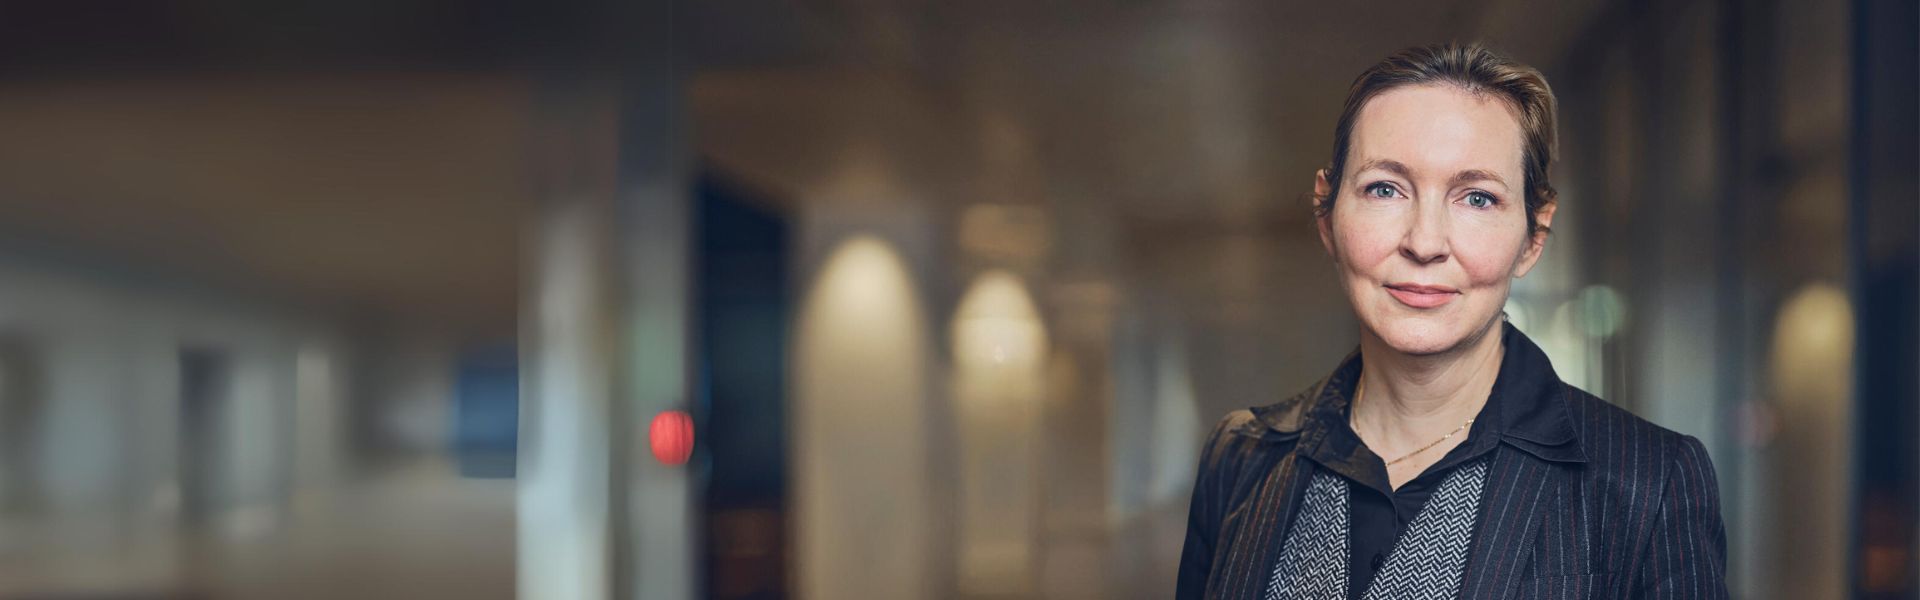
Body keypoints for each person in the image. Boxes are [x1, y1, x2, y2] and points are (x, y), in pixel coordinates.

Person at [1175, 43, 1729, 599]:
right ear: (1327, 213)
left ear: (1533, 236)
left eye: (1478, 199)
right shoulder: (1241, 455)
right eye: (1385, 189)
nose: (1424, 242)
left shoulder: (1649, 482)